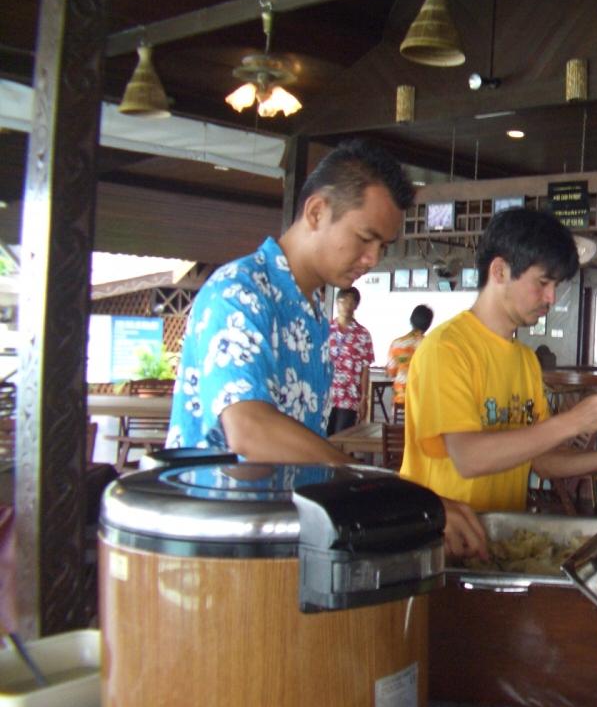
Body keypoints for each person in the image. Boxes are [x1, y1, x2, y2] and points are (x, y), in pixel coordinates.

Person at [166, 138, 486, 559]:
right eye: (366, 238)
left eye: (383, 247)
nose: (372, 259)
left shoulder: (313, 310)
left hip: (278, 538)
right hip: (217, 545)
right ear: (316, 212)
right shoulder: (240, 291)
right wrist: (380, 487)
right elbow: (250, 430)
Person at [400, 207, 597, 513]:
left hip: (500, 533)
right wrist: (572, 422)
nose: (551, 298)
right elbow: (468, 458)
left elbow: (543, 461)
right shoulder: (447, 349)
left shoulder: (525, 360)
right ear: (499, 271)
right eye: (543, 282)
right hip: (444, 533)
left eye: (556, 286)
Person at [326, 287, 375, 436]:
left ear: (356, 306)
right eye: (343, 301)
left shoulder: (363, 334)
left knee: (342, 438)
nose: (347, 306)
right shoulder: (325, 329)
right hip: (325, 395)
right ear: (337, 303)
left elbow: (365, 369)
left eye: (351, 302)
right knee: (323, 438)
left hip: (350, 396)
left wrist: (364, 398)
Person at [385, 304, 434, 410]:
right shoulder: (431, 346)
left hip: (401, 396)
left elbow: (391, 372)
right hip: (423, 398)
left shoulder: (397, 343)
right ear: (429, 324)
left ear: (411, 320)